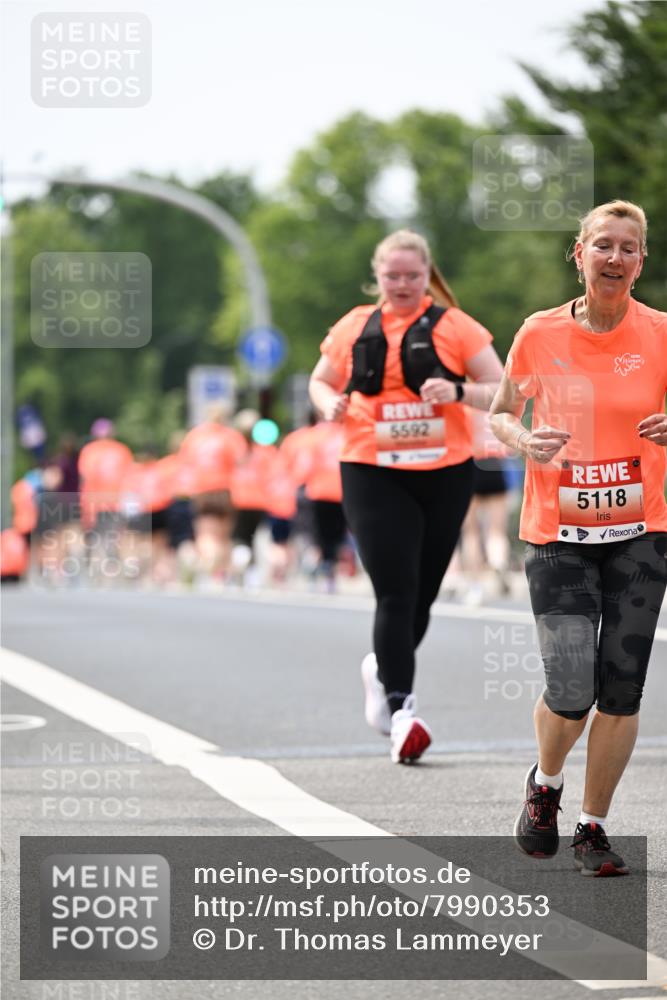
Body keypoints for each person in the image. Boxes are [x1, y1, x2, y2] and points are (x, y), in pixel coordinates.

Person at [489, 200, 667, 876]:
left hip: (640, 530)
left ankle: (592, 826)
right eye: (603, 246)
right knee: (570, 686)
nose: (614, 258)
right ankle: (545, 784)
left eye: (628, 248)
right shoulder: (539, 333)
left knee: (621, 689)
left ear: (640, 261)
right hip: (557, 531)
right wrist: (525, 438)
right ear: (579, 253)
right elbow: (500, 412)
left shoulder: (657, 333)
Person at [309, 229, 503, 763]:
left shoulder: (455, 327)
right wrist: (328, 403)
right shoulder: (355, 325)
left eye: (412, 276)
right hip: (372, 468)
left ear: (427, 275)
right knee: (394, 590)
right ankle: (403, 712)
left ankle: (381, 669)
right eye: (392, 276)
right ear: (378, 276)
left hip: (445, 470)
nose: (401, 285)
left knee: (423, 592)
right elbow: (319, 380)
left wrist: (459, 391)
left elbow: (503, 387)